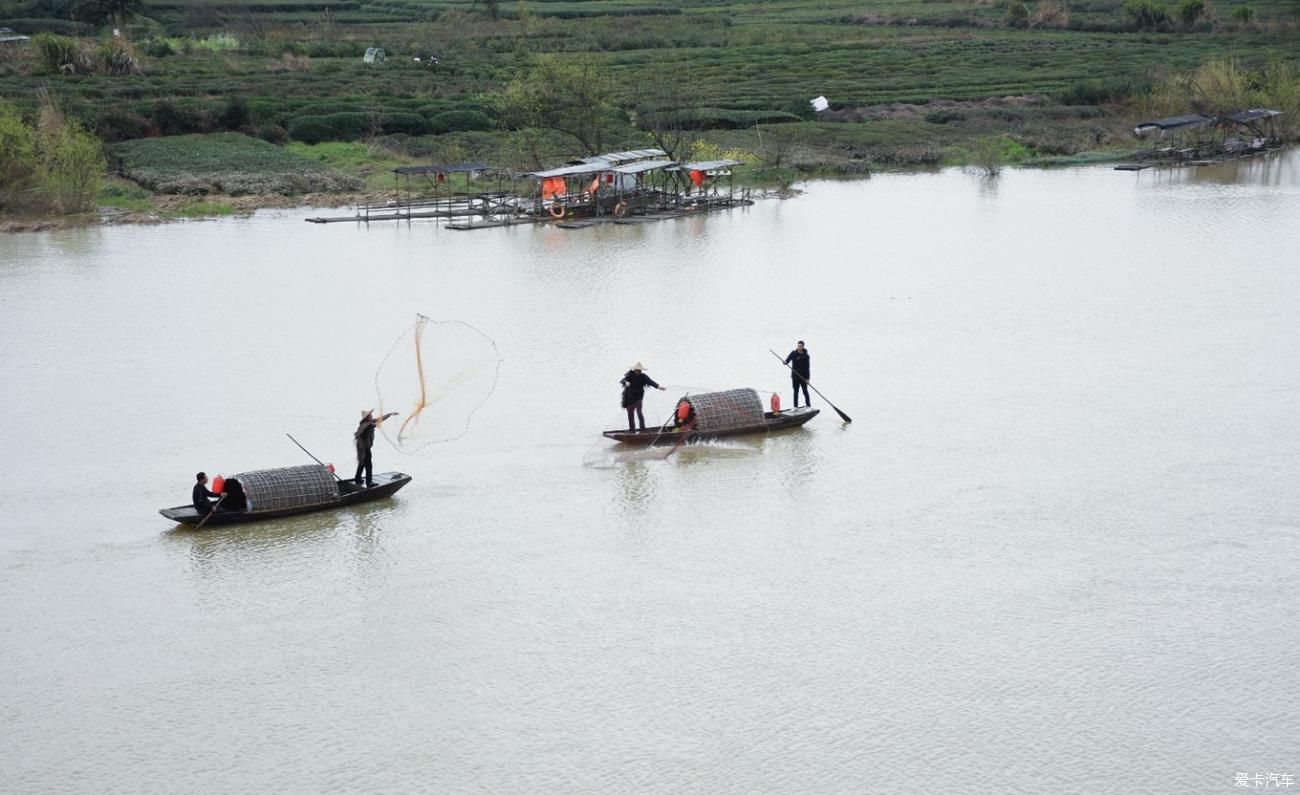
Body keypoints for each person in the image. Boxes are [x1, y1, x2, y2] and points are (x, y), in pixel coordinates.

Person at [355, 409, 398, 486]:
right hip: (364, 448)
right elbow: (369, 426)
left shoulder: (368, 423)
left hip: (362, 447)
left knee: (362, 463)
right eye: (370, 415)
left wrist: (390, 414)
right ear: (367, 417)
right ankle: (369, 482)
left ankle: (358, 479)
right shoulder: (366, 425)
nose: (372, 416)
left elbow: (380, 419)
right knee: (368, 465)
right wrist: (375, 425)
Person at [620, 362, 665, 431]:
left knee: (639, 412)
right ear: (634, 370)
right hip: (630, 398)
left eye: (640, 370)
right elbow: (623, 380)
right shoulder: (629, 375)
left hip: (639, 397)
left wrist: (658, 386)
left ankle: (642, 428)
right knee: (630, 414)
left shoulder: (643, 376)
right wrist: (626, 382)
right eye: (637, 370)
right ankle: (632, 429)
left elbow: (650, 381)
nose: (639, 372)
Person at [784, 340, 812, 408]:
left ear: (803, 347)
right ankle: (795, 407)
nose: (799, 347)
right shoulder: (793, 353)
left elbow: (807, 367)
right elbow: (787, 360)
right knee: (795, 392)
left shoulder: (806, 356)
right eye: (798, 346)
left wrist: (808, 378)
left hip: (803, 377)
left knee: (805, 392)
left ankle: (808, 406)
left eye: (800, 346)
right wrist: (785, 362)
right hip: (795, 377)